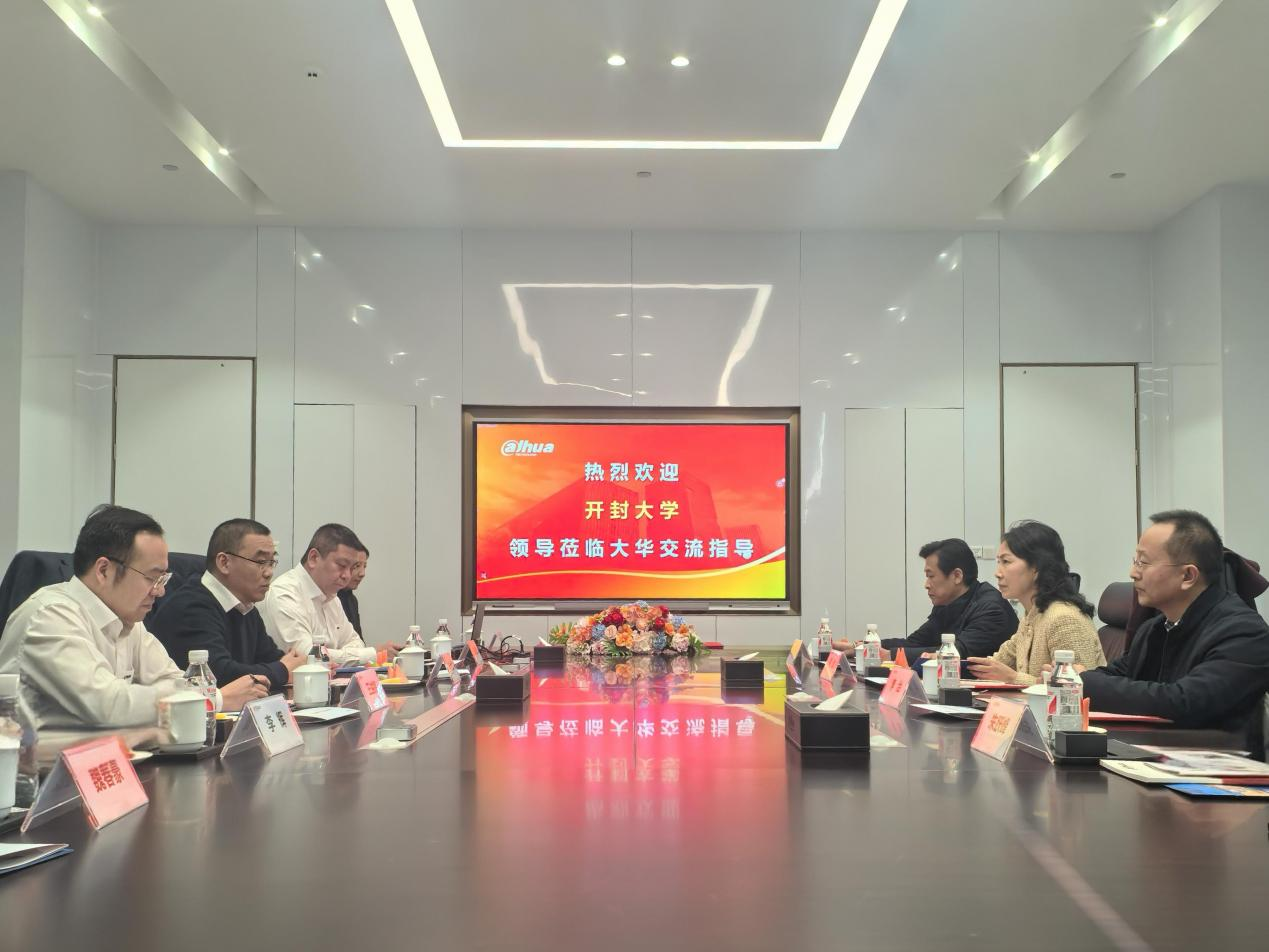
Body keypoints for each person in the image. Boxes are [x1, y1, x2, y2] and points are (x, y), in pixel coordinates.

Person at [0, 505, 266, 730]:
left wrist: (195, 696)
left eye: (163, 578)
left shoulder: (129, 622)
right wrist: (215, 699)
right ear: (104, 570)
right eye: (152, 577)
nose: (160, 591)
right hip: (39, 773)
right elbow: (108, 705)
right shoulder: (50, 616)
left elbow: (174, 681)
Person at [1080, 510, 1269, 730]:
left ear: (1188, 576)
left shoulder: (1243, 633)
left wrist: (1083, 682)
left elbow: (1183, 702)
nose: (1133, 573)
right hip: (1153, 746)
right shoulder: (1155, 628)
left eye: (1143, 563)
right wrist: (1069, 678)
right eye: (1135, 561)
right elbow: (1118, 674)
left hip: (1214, 750)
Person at [150, 518, 305, 692]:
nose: (269, 573)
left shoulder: (245, 607)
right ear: (224, 563)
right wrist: (283, 670)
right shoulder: (191, 607)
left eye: (271, 562)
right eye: (261, 562)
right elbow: (219, 675)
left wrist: (291, 665)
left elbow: (272, 658)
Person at [967, 521, 1105, 685]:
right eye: (998, 562)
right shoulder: (1032, 616)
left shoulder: (1064, 619)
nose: (997, 573)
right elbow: (997, 663)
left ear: (1036, 567)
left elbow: (1078, 688)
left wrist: (1013, 678)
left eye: (1006, 562)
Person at [261, 524, 398, 665]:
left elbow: (355, 642)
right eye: (342, 565)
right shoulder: (284, 594)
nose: (347, 575)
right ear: (314, 558)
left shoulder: (332, 597)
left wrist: (336, 655)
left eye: (352, 568)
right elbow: (308, 657)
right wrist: (372, 654)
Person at [870, 539, 1017, 661]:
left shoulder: (991, 609)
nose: (926, 585)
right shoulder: (947, 604)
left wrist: (891, 655)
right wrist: (870, 645)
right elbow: (915, 643)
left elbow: (957, 653)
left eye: (931, 576)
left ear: (957, 576)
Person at [337, 544, 368, 637]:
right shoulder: (328, 599)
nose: (362, 573)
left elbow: (358, 641)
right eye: (357, 566)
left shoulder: (352, 600)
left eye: (365, 566)